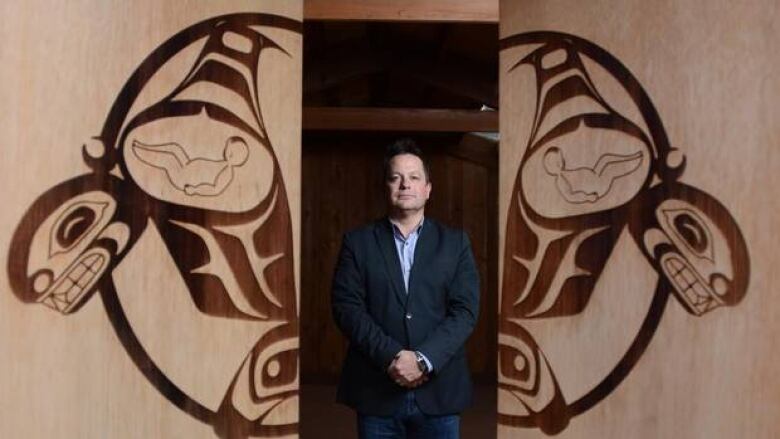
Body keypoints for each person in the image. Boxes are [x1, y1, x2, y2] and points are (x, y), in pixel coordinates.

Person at [331, 138, 480, 438]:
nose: (405, 185)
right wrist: (393, 357)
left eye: (414, 177)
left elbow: (465, 311)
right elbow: (347, 308)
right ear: (385, 187)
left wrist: (423, 360)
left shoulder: (455, 243)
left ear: (427, 188)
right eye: (395, 177)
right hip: (377, 390)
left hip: (440, 391)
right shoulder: (357, 243)